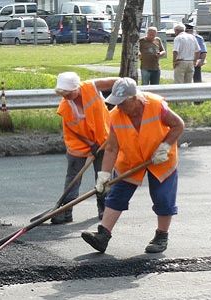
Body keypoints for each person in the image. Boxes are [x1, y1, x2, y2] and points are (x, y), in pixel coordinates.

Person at [82, 77, 185, 254]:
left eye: (122, 103)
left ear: (134, 98)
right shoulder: (115, 116)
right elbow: (112, 148)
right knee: (116, 195)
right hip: (131, 160)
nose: (119, 107)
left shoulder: (156, 106)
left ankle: (161, 236)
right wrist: (104, 175)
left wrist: (165, 146)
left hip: (159, 158)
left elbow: (178, 125)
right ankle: (103, 236)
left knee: (163, 198)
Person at [51, 72, 118, 224]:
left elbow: (118, 81)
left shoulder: (91, 87)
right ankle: (66, 210)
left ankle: (104, 207)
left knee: (103, 175)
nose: (65, 96)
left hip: (103, 139)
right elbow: (73, 129)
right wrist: (90, 144)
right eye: (63, 93)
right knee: (73, 178)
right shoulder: (65, 107)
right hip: (78, 143)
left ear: (77, 88)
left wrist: (121, 97)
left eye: (68, 93)